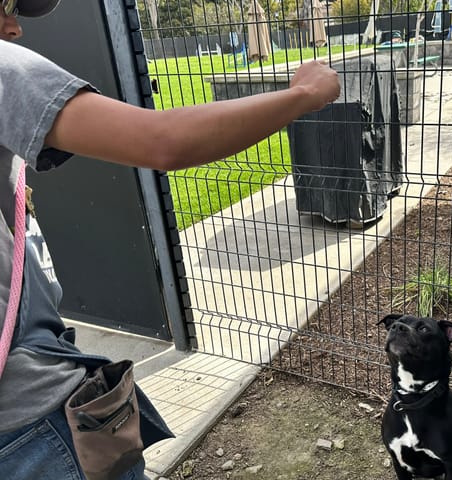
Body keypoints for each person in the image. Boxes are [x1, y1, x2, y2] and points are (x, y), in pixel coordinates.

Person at [0, 1, 340, 479]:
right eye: (5, 6)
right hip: (25, 424)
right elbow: (164, 140)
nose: (13, 27)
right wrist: (304, 93)